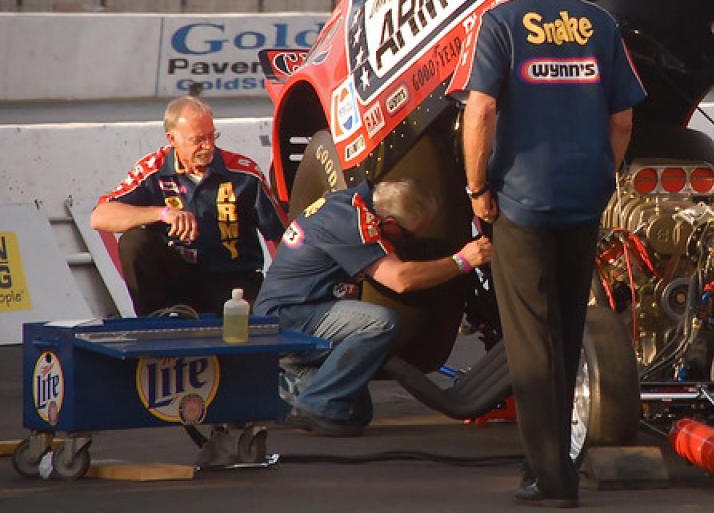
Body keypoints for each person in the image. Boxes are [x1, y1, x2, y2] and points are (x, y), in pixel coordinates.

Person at [448, 0, 646, 508]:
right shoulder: (599, 23)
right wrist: (603, 176)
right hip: (584, 197)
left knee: (532, 341)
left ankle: (549, 474)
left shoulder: (500, 23)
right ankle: (560, 459)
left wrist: (476, 188)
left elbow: (480, 111)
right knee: (566, 328)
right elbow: (624, 120)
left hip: (522, 201)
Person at [255, 178, 491, 436]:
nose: (407, 242)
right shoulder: (351, 220)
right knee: (379, 322)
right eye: (408, 235)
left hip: (301, 315)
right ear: (389, 223)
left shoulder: (350, 204)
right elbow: (400, 280)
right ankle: (313, 405)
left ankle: (280, 387)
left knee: (354, 412)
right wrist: (462, 261)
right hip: (289, 319)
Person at [90, 96, 286, 315]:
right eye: (198, 140)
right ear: (172, 138)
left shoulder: (244, 173)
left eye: (212, 136)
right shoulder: (153, 170)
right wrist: (163, 213)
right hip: (177, 281)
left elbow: (282, 236)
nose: (208, 146)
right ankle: (156, 322)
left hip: (232, 283)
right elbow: (100, 217)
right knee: (133, 241)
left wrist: (284, 292)